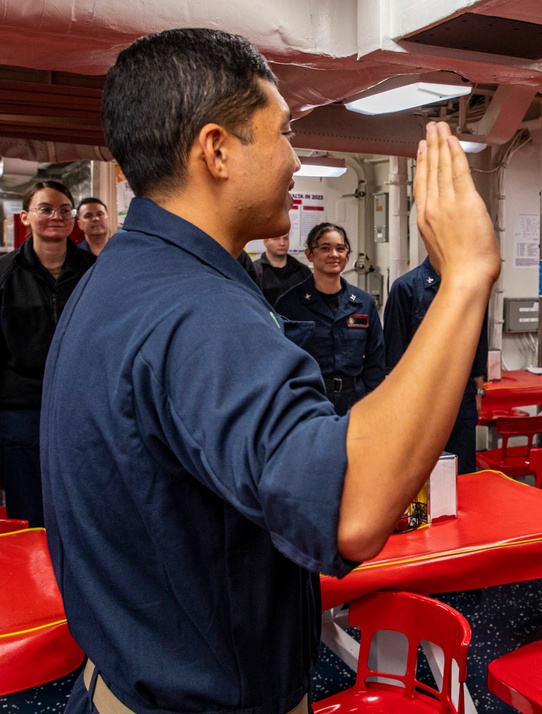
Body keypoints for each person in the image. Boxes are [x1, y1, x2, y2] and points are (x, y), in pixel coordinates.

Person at [41, 28, 498, 714]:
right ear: (217, 151)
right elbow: (351, 509)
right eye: (282, 132)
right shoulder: (199, 311)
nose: (294, 158)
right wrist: (464, 276)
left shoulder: (124, 278)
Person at [0, 181, 94, 527]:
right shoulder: (5, 274)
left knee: (84, 508)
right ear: (25, 217)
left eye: (65, 210)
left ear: (74, 219)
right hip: (22, 411)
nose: (56, 216)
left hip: (82, 409)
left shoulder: (96, 271)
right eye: (45, 209)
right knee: (30, 513)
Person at [383, 255, 488, 474]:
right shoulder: (406, 287)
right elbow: (393, 355)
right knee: (420, 473)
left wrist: (478, 389)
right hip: (420, 399)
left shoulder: (471, 286)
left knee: (464, 474)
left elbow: (479, 339)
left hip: (461, 396)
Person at [275, 223, 385, 415]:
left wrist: (371, 402)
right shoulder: (290, 304)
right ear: (310, 254)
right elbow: (278, 362)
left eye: (340, 249)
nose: (334, 254)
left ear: (347, 255)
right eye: (325, 248)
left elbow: (376, 361)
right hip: (308, 402)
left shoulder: (363, 303)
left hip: (355, 403)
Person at [256, 232, 311, 305]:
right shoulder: (255, 271)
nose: (282, 243)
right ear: (265, 242)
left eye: (285, 238)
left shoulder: (302, 270)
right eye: (276, 239)